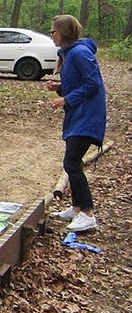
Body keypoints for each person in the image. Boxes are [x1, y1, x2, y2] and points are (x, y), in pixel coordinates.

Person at [46, 15, 106, 232]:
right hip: (79, 115)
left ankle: (88, 214)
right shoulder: (69, 54)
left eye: (53, 31)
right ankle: (77, 208)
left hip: (88, 116)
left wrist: (66, 99)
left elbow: (93, 84)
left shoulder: (80, 53)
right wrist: (60, 88)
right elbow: (79, 83)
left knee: (71, 162)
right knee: (72, 161)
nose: (51, 35)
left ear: (63, 32)